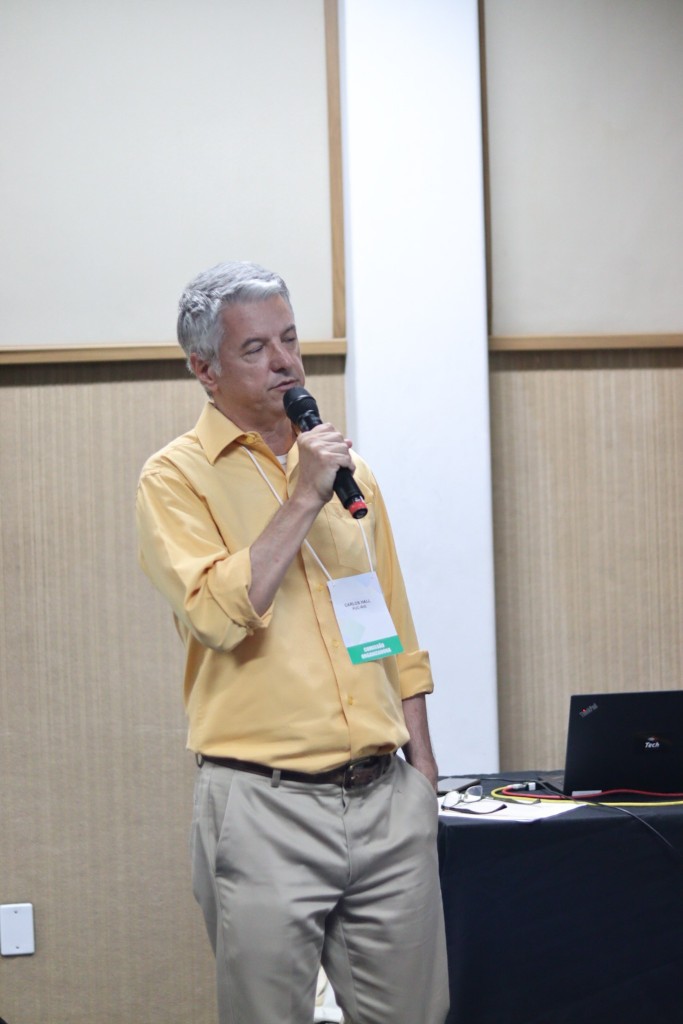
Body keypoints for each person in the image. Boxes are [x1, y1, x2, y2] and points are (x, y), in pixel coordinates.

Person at [136, 261, 449, 1024]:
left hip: (385, 799)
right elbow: (217, 617)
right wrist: (304, 494)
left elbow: (390, 625)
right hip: (264, 804)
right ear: (204, 369)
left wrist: (421, 772)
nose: (284, 362)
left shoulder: (350, 473)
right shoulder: (174, 479)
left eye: (289, 339)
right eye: (255, 349)